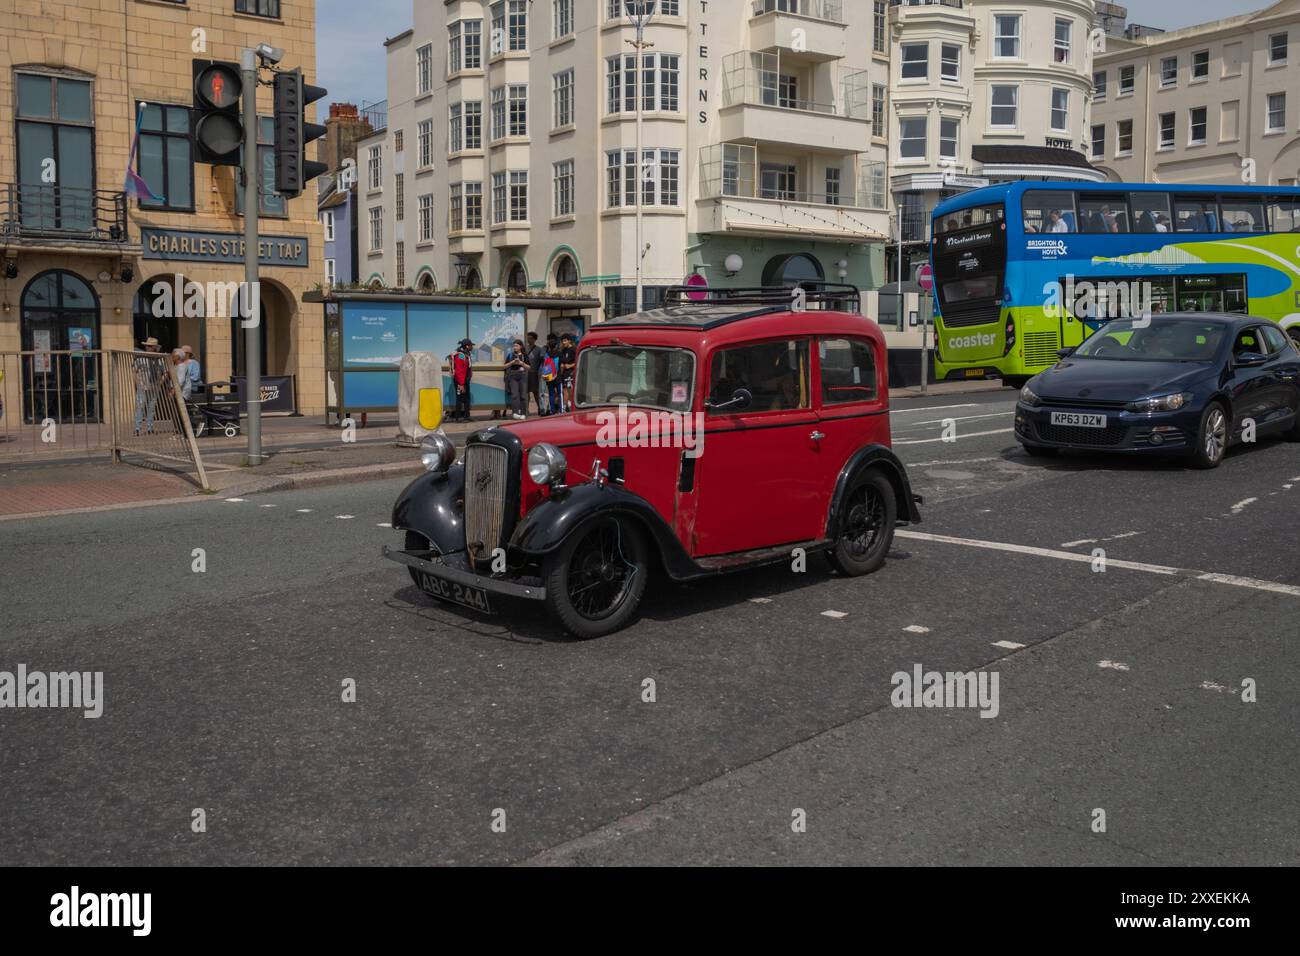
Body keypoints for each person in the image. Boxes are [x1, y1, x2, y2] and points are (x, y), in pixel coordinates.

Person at [133, 337, 163, 435]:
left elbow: (164, 372)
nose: (147, 348)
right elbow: (134, 371)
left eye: (150, 346)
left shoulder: (159, 359)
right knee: (140, 407)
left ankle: (150, 428)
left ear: (155, 347)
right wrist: (137, 383)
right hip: (143, 386)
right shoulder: (140, 358)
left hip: (154, 386)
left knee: (151, 407)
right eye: (146, 346)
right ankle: (137, 428)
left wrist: (160, 383)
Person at [448, 338, 474, 422]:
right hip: (460, 382)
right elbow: (459, 371)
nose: (472, 347)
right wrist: (461, 384)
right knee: (459, 398)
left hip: (464, 381)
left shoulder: (466, 354)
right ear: (467, 346)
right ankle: (458, 417)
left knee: (466, 398)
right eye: (471, 345)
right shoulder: (460, 356)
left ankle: (467, 416)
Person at [504, 339, 530, 420]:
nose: (514, 347)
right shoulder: (510, 355)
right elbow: (504, 366)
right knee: (514, 395)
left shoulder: (525, 355)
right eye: (514, 346)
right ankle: (515, 412)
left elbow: (529, 367)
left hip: (522, 376)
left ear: (520, 346)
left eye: (516, 346)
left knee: (523, 395)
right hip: (513, 376)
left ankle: (523, 413)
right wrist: (512, 362)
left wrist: (521, 363)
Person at [525, 331, 545, 416]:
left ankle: (540, 408)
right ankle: (526, 409)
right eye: (528, 338)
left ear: (535, 339)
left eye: (531, 338)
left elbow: (542, 361)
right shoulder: (525, 349)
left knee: (536, 392)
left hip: (535, 374)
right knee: (526, 393)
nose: (529, 340)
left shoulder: (539, 349)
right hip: (526, 373)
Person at [542, 339, 563, 415]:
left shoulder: (546, 354)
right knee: (560, 393)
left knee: (551, 394)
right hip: (558, 376)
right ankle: (561, 410)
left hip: (549, 376)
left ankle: (552, 411)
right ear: (556, 346)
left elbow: (544, 366)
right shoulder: (559, 353)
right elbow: (561, 365)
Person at [559, 333, 577, 413]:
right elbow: (562, 362)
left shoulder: (574, 349)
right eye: (562, 341)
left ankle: (569, 406)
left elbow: (578, 361)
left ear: (569, 341)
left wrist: (570, 366)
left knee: (570, 389)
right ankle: (565, 407)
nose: (563, 343)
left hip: (571, 373)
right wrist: (562, 366)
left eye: (565, 341)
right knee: (564, 390)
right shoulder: (563, 350)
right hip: (564, 373)